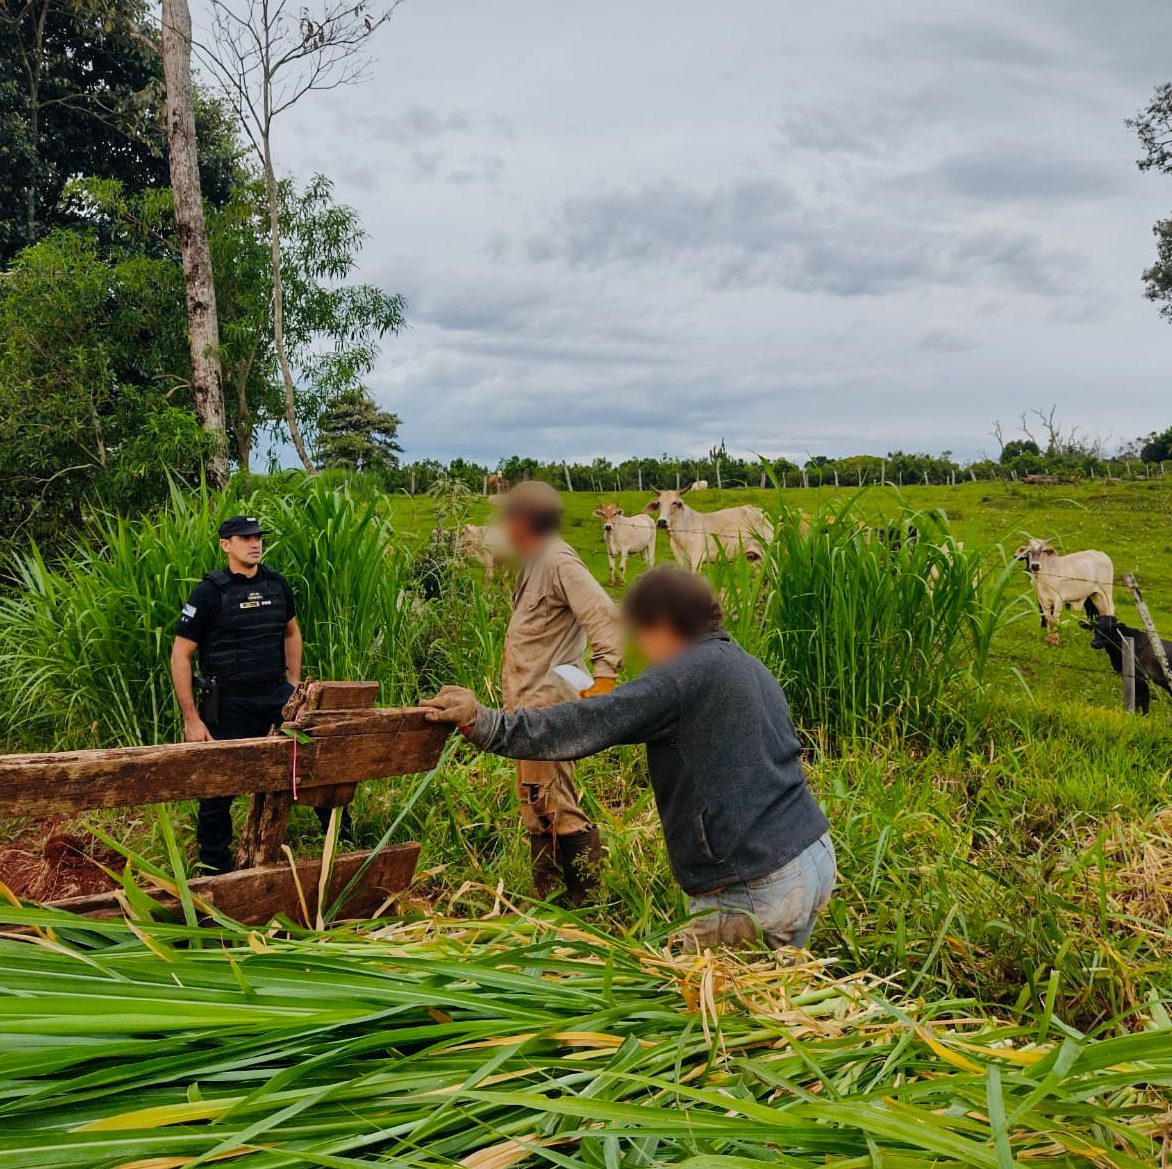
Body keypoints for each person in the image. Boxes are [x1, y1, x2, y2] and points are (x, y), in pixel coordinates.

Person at [424, 567, 835, 951]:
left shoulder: (682, 676)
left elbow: (587, 722)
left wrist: (486, 724)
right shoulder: (747, 666)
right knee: (770, 1005)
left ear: (663, 623)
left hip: (755, 885)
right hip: (809, 855)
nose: (640, 647)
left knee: (712, 1021)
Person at [169, 515, 342, 874]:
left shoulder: (277, 585)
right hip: (228, 703)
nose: (254, 543)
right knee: (219, 785)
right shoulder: (209, 592)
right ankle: (214, 867)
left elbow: (291, 633)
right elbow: (180, 654)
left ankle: (338, 843)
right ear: (225, 545)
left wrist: (293, 684)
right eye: (244, 537)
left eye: (258, 537)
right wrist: (192, 719)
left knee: (315, 765)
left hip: (275, 695)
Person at [489, 480, 623, 905]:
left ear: (523, 521)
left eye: (506, 516)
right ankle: (546, 898)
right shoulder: (533, 561)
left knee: (556, 802)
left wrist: (602, 684)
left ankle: (586, 900)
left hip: (549, 708)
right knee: (536, 803)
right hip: (528, 708)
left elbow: (607, 620)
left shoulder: (559, 560)